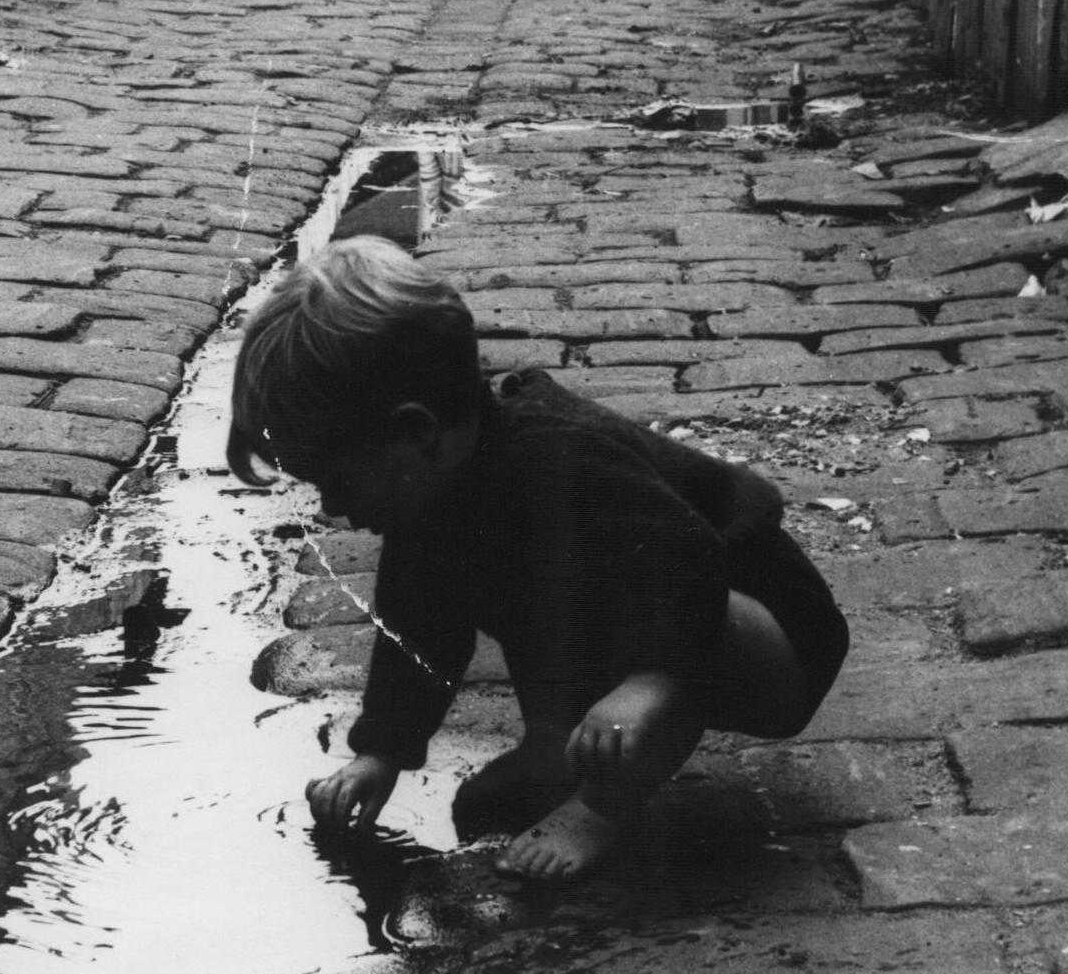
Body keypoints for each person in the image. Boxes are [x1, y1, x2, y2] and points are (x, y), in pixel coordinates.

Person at [227, 239, 849, 884]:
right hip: (646, 620)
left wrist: (651, 681)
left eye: (339, 480)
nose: (332, 505)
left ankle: (605, 804)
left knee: (593, 598)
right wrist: (381, 752)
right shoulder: (432, 493)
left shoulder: (568, 462)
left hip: (762, 638)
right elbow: (418, 632)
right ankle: (567, 752)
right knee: (502, 610)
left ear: (416, 434)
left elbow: (692, 560)